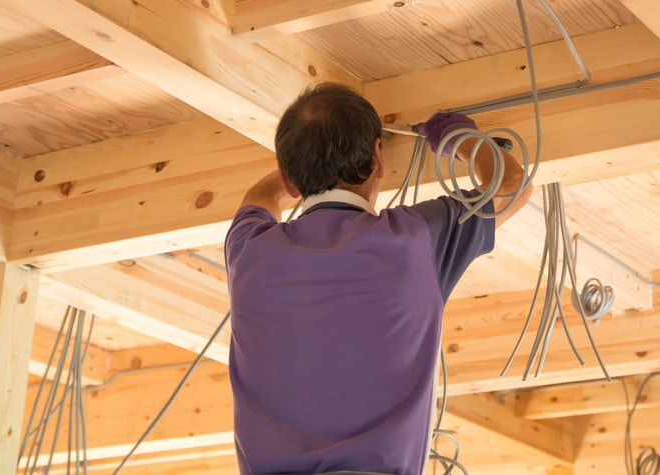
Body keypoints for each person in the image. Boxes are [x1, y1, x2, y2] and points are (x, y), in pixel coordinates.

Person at [224, 82, 533, 475]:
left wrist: (310, 160)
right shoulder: (415, 237)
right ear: (379, 162)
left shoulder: (250, 250)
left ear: (290, 179)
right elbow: (510, 184)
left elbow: (261, 195)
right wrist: (455, 135)